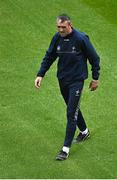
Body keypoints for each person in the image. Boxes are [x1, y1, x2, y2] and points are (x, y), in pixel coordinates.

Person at [35, 14, 100, 161]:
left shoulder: (81, 39)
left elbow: (94, 58)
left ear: (70, 25)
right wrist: (40, 74)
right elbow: (49, 56)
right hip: (62, 80)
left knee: (71, 113)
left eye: (63, 27)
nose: (60, 30)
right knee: (74, 107)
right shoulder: (57, 38)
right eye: (58, 27)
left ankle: (65, 149)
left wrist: (95, 78)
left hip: (76, 81)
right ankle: (84, 131)